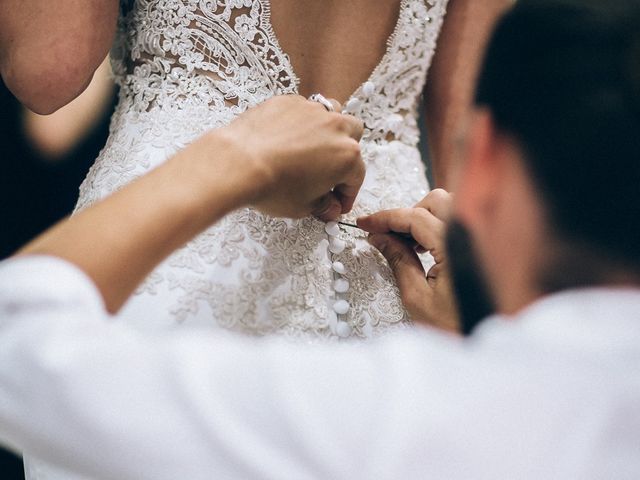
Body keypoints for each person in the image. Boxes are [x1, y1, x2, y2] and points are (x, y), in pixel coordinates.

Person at [1, 0, 639, 478]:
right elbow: (462, 128)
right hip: (399, 264)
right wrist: (478, 315)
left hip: (171, 244)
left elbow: (48, 68)